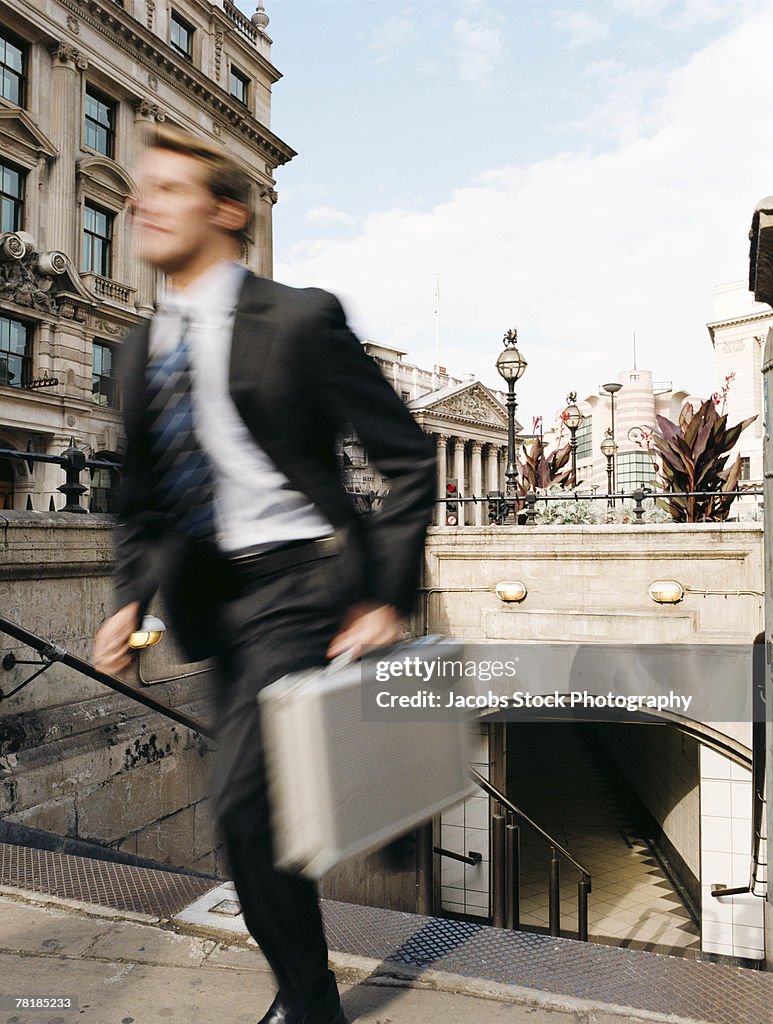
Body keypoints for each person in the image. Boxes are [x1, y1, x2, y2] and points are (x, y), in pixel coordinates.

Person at [93, 126, 436, 1024]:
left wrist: (387, 597)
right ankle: (319, 964)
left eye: (167, 188)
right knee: (262, 816)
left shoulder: (300, 319)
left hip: (303, 584)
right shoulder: (135, 353)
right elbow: (143, 503)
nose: (141, 202)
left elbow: (406, 459)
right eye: (141, 188)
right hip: (211, 607)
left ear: (226, 211)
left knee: (242, 811)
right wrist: (128, 600)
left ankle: (308, 1003)